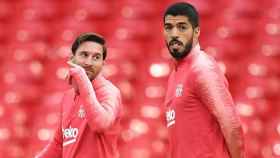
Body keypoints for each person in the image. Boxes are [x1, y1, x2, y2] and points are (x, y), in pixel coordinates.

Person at [163, 2, 244, 158]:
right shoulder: (175, 74)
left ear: (196, 31)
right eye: (169, 27)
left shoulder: (202, 69)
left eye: (182, 27)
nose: (174, 34)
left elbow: (232, 125)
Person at [36, 33, 122, 158]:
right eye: (84, 55)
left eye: (96, 57)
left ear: (103, 63)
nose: (89, 62)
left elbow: (100, 124)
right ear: (72, 59)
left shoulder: (109, 92)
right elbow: (58, 144)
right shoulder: (68, 97)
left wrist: (81, 78)